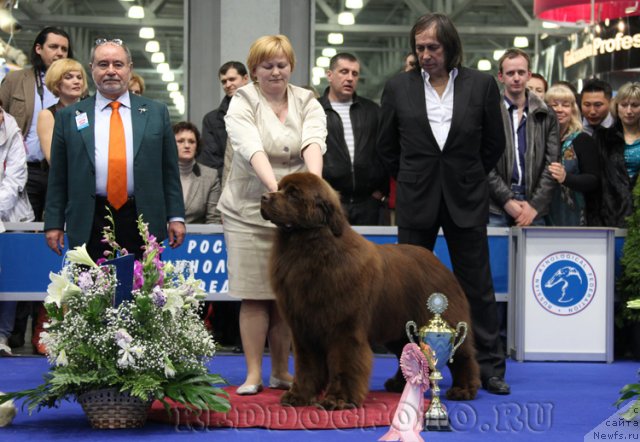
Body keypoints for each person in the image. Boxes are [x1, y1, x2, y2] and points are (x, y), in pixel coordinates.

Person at [377, 13, 509, 395]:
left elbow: (493, 145)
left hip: (466, 198)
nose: (425, 54)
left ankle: (489, 368)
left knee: (478, 286)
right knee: (407, 289)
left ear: (450, 46)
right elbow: (387, 148)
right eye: (419, 48)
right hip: (416, 198)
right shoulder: (398, 87)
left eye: (433, 47)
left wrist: (467, 175)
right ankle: (409, 369)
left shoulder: (481, 85)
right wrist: (412, 178)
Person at [216, 34, 326, 395]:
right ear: (254, 70)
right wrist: (278, 192)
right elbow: (250, 147)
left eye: (282, 65)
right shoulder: (241, 101)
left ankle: (282, 371)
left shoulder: (308, 100)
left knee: (286, 297)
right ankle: (252, 374)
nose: (276, 71)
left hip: (295, 211)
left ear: (291, 66)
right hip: (249, 208)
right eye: (268, 66)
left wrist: (313, 188)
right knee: (254, 295)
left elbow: (313, 142)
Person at [44, 38, 186, 261]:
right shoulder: (69, 116)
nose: (111, 71)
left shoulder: (156, 112)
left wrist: (176, 216)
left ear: (129, 69)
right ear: (92, 69)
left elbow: (169, 171)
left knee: (143, 292)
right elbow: (58, 176)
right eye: (103, 64)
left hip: (142, 217)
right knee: (90, 292)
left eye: (118, 64)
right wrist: (53, 223)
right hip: (90, 219)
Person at [0, 26, 72, 221]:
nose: (59, 53)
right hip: (24, 170)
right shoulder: (15, 80)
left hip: (59, 171)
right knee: (21, 229)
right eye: (54, 47)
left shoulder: (74, 85)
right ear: (39, 49)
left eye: (64, 49)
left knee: (57, 228)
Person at [489, 48, 559, 227]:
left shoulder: (546, 114)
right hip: (496, 205)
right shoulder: (488, 112)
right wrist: (506, 200)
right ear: (501, 76)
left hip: (534, 206)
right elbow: (483, 162)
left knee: (537, 256)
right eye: (510, 73)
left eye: (521, 72)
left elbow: (552, 164)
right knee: (496, 255)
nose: (516, 78)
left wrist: (534, 206)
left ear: (529, 75)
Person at [320, 52, 386, 225]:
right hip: (329, 202)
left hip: (368, 203)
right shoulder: (315, 110)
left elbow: (385, 149)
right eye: (344, 72)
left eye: (354, 74)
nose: (349, 78)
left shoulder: (372, 111)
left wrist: (381, 189)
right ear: (329, 75)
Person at [0, 105, 34, 356]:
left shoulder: (12, 130)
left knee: (10, 274)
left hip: (12, 215)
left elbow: (15, 179)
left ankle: (2, 335)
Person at [544, 84, 599, 226]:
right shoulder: (538, 139)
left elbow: (594, 180)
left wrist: (566, 178)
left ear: (573, 110)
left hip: (573, 217)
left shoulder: (582, 139)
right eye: (554, 105)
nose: (559, 109)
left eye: (565, 105)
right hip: (540, 214)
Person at [594, 82, 640, 227]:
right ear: (616, 106)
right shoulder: (603, 137)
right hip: (611, 215)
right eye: (624, 104)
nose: (629, 111)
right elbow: (598, 181)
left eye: (635, 105)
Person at [199, 61, 250, 177]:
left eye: (232, 79)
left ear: (245, 78)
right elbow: (210, 159)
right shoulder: (211, 119)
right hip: (226, 181)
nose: (227, 85)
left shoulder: (261, 109)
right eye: (224, 81)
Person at [37, 58, 88, 163]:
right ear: (57, 83)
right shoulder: (47, 115)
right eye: (69, 77)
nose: (76, 81)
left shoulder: (89, 111)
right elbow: (53, 159)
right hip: (62, 176)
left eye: (79, 77)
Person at [173, 121, 221, 223]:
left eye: (191, 141)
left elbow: (213, 221)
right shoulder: (159, 175)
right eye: (180, 141)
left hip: (198, 237)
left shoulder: (210, 176)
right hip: (164, 236)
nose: (187, 145)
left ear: (197, 146)